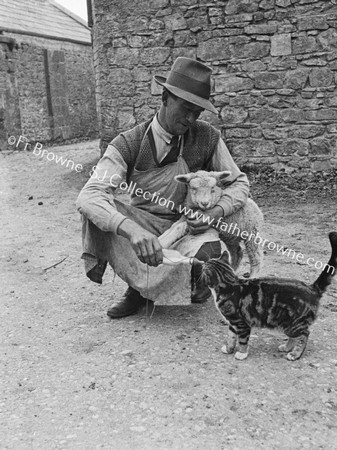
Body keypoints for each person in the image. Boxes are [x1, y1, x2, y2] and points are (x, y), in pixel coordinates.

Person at [76, 57, 249, 318]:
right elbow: (90, 195)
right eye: (185, 108)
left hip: (188, 227)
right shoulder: (129, 143)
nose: (191, 118)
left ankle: (192, 282)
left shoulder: (207, 137)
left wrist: (215, 213)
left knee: (208, 255)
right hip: (145, 229)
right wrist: (131, 229)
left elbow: (239, 183)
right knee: (96, 214)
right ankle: (138, 289)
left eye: (197, 112)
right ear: (165, 96)